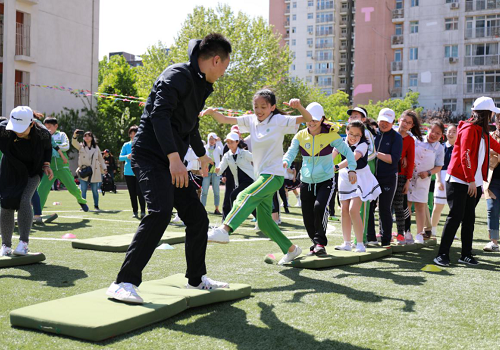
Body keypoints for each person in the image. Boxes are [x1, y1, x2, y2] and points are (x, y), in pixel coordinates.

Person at [106, 33, 232, 304]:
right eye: (224, 67)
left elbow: (190, 125)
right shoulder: (176, 75)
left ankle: (197, 278)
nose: (223, 73)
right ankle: (123, 282)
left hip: (172, 159)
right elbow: (159, 116)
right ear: (215, 60)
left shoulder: (201, 85)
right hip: (151, 156)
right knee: (160, 212)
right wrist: (175, 159)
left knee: (197, 218)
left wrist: (202, 155)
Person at [205, 90, 312, 265]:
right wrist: (212, 112)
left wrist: (299, 106)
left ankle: (225, 230)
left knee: (243, 195)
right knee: (263, 222)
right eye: (256, 106)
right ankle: (291, 249)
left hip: (273, 175)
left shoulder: (278, 120)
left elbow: (307, 119)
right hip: (261, 176)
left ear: (272, 107)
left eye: (263, 106)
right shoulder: (251, 120)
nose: (259, 110)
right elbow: (225, 119)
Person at [283, 102, 356, 255]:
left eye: (316, 119)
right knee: (307, 216)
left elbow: (348, 152)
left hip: (326, 180)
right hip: (306, 181)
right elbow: (290, 152)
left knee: (319, 207)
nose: (312, 122)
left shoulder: (331, 135)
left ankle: (320, 243)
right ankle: (315, 243)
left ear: (322, 119)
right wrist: (285, 162)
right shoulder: (300, 135)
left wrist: (352, 170)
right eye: (309, 119)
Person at [434, 96, 500, 267]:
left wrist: (473, 181)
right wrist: (470, 180)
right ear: (487, 113)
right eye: (493, 112)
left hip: (473, 182)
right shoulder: (470, 129)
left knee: (469, 218)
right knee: (455, 216)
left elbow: (496, 146)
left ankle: (466, 254)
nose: (494, 115)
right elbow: (465, 156)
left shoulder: (482, 130)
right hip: (459, 180)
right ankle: (442, 254)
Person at [0, 106, 53, 256]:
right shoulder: (4, 131)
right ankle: (6, 245)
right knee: (6, 204)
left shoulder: (42, 134)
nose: (18, 131)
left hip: (33, 170)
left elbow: (48, 149)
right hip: (10, 169)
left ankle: (23, 243)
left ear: (31, 124)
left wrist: (47, 165)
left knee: (24, 200)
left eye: (22, 128)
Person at [334, 121, 381, 253]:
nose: (353, 137)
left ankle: (360, 243)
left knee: (353, 210)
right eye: (350, 133)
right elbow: (333, 153)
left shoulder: (364, 145)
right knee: (344, 210)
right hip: (345, 176)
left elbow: (353, 158)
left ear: (362, 135)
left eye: (357, 134)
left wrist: (336, 167)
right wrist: (324, 164)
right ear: (347, 132)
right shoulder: (342, 142)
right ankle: (346, 243)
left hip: (360, 177)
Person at [366, 108, 403, 246]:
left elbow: (393, 159)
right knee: (369, 206)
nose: (384, 124)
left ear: (393, 122)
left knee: (384, 208)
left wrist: (375, 153)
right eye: (382, 121)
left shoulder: (396, 137)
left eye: (387, 122)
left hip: (388, 177)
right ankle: (370, 238)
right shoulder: (372, 134)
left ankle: (386, 239)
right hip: (371, 177)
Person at [38, 117, 89, 212]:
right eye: (46, 126)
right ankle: (36, 212)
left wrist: (52, 146)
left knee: (72, 187)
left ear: (56, 126)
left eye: (49, 126)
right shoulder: (43, 135)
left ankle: (81, 200)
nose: (47, 128)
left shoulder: (61, 135)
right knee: (41, 190)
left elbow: (66, 146)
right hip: (49, 167)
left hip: (62, 166)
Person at [407, 121, 445, 244]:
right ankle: (405, 232)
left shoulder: (439, 148)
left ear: (441, 136)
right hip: (409, 176)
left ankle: (419, 234)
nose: (434, 134)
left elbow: (439, 166)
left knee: (420, 206)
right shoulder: (416, 140)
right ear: (428, 129)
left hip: (424, 179)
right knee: (406, 205)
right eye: (433, 131)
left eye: (438, 133)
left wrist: (428, 172)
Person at [393, 110, 421, 245]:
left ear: (412, 126)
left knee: (402, 205)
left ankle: (406, 231)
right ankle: (384, 232)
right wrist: (399, 157)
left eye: (409, 123)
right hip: (387, 174)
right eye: (404, 120)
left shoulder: (410, 140)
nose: (405, 124)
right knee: (385, 205)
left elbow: (410, 161)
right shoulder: (390, 133)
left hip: (402, 176)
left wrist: (408, 180)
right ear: (399, 119)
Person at [216, 132, 256, 219]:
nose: (229, 144)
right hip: (239, 182)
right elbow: (221, 167)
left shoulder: (244, 153)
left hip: (249, 180)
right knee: (246, 200)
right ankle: (259, 218)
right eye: (228, 142)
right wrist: (218, 170)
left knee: (233, 195)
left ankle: (233, 218)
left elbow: (256, 159)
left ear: (237, 142)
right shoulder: (227, 156)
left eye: (232, 142)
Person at [430, 124, 457, 238]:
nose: (451, 134)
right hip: (442, 177)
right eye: (449, 131)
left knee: (454, 209)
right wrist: (439, 181)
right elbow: (437, 166)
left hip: (455, 179)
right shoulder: (441, 147)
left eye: (454, 131)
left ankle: (451, 232)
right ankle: (432, 230)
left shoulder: (460, 148)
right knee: (437, 207)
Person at [72, 130, 107, 211]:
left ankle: (96, 206)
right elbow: (74, 143)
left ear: (92, 138)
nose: (87, 137)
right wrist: (74, 135)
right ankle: (83, 206)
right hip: (83, 170)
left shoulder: (96, 148)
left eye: (89, 136)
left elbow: (100, 159)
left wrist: (104, 168)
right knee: (83, 189)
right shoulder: (80, 146)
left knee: (95, 190)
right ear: (83, 138)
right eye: (85, 136)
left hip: (94, 171)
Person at [119, 125, 146, 219]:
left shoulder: (143, 143)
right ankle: (135, 212)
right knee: (132, 193)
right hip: (128, 172)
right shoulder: (126, 145)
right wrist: (127, 156)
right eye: (132, 133)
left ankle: (143, 211)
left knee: (141, 192)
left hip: (140, 171)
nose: (133, 135)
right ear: (129, 134)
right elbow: (120, 157)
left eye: (135, 133)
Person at [484, 117, 500, 252]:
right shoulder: (490, 136)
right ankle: (493, 242)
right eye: (499, 120)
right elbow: (484, 151)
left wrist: (495, 153)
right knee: (492, 208)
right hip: (492, 180)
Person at [201, 132, 223, 215]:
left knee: (216, 191)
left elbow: (222, 152)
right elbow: (201, 159)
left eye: (213, 139)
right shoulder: (205, 148)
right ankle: (202, 208)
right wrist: (202, 170)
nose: (211, 141)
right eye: (210, 139)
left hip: (216, 171)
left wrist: (219, 142)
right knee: (204, 191)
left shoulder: (218, 148)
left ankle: (216, 209)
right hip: (207, 171)